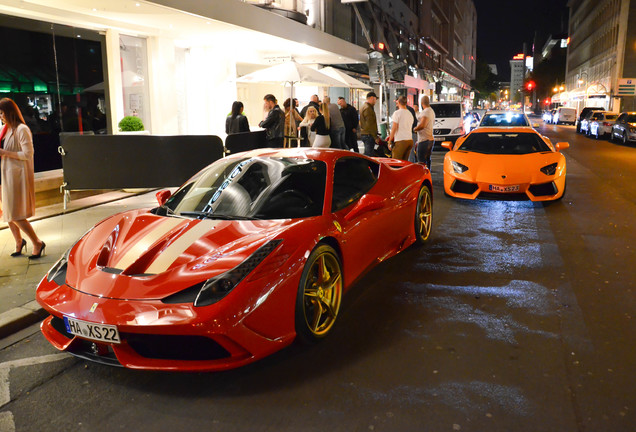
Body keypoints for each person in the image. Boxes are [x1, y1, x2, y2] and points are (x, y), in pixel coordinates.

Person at [0, 98, 45, 258]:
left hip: (16, 176)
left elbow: (28, 154)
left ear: (9, 112)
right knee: (7, 212)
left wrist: (5, 153)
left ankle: (37, 242)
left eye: (2, 113)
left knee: (15, 213)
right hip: (6, 175)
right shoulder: (6, 129)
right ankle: (19, 242)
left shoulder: (22, 129)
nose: (1, 116)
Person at [387, 96, 414, 161]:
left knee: (396, 162)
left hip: (401, 140)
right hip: (409, 140)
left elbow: (394, 127)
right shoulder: (410, 114)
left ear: (398, 102)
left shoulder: (397, 113)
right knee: (404, 162)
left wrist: (390, 140)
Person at [413, 95, 436, 169]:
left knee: (421, 161)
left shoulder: (426, 112)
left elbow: (422, 125)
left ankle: (423, 176)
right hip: (430, 138)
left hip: (424, 140)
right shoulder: (431, 111)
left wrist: (415, 129)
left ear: (422, 103)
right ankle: (428, 175)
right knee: (427, 160)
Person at [360, 91, 379, 156]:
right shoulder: (368, 108)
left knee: (368, 154)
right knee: (369, 155)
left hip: (365, 133)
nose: (375, 101)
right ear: (371, 98)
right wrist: (375, 137)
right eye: (375, 99)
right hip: (368, 135)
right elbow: (370, 124)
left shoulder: (364, 106)